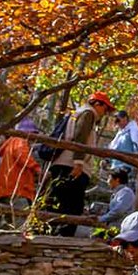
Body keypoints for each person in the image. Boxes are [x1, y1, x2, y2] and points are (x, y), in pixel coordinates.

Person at [46, 91, 112, 235]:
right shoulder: (88, 114)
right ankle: (63, 237)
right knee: (73, 205)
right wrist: (78, 163)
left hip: (64, 161)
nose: (105, 113)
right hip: (71, 164)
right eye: (105, 108)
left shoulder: (77, 113)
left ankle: (48, 231)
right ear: (97, 104)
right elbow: (80, 137)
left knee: (57, 200)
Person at [0, 118, 41, 220]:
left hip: (6, 189)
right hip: (17, 189)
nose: (33, 139)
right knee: (19, 222)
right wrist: (36, 168)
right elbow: (21, 154)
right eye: (33, 134)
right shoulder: (19, 140)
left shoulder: (10, 143)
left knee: (8, 221)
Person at [108, 110, 138, 178]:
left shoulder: (133, 131)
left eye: (118, 120)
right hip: (115, 166)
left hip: (126, 167)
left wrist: (137, 163)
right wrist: (108, 159)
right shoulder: (120, 133)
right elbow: (114, 147)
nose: (117, 123)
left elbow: (137, 145)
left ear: (125, 118)